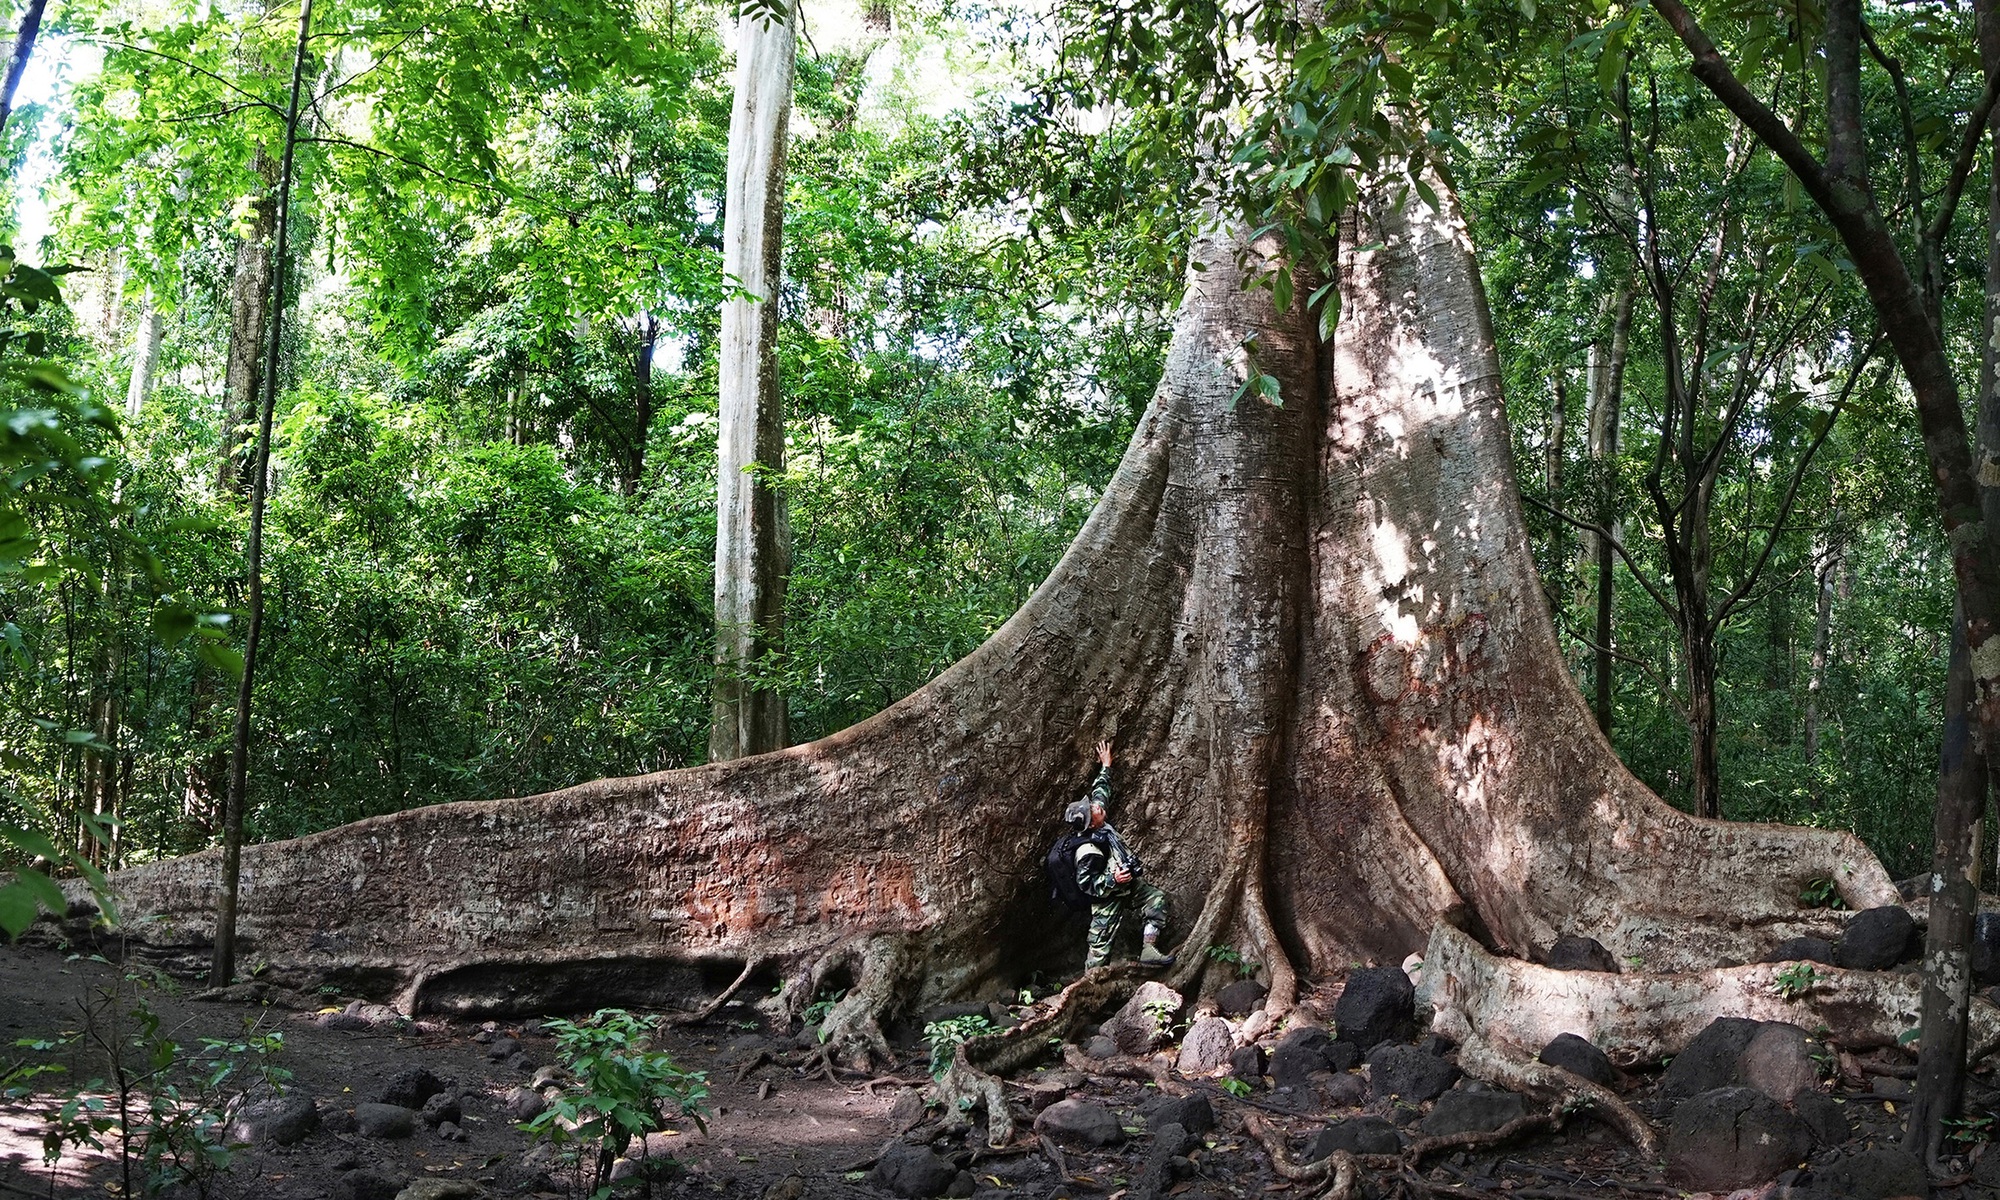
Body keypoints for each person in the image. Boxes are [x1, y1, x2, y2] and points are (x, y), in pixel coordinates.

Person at [1064, 740, 1173, 970]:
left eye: (1093, 806)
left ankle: (1149, 949)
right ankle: (1088, 991)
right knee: (1099, 951)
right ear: (1089, 825)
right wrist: (1113, 879)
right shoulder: (1087, 852)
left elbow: (1100, 792)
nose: (1096, 806)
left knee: (1156, 899)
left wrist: (1105, 766)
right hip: (1107, 899)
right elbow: (1088, 885)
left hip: (1128, 885)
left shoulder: (1099, 820)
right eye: (1092, 810)